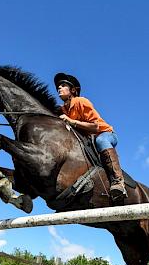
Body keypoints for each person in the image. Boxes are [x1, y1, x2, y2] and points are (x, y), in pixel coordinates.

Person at [54, 72, 127, 201]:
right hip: (89, 140)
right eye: (58, 86)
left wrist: (72, 122)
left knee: (101, 140)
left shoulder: (81, 101)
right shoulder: (63, 109)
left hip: (106, 134)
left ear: (73, 90)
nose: (59, 88)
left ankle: (118, 182)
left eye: (63, 85)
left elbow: (95, 127)